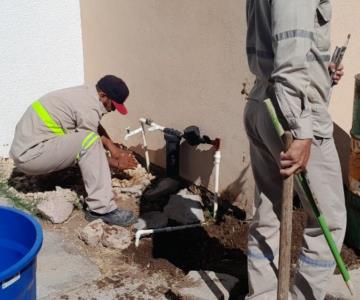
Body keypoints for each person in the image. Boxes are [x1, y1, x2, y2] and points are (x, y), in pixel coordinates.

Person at [244, 1, 345, 299]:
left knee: (268, 212)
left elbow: (287, 43)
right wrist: (301, 132)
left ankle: (261, 295)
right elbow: (289, 63)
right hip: (290, 113)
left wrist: (320, 72)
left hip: (262, 102)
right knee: (330, 220)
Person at [10, 75, 138, 227]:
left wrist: (113, 147)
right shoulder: (89, 106)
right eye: (114, 105)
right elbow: (91, 143)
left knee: (87, 139)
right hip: (31, 157)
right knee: (88, 142)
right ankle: (101, 209)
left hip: (27, 148)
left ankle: (56, 176)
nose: (114, 110)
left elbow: (92, 126)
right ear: (103, 95)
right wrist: (117, 163)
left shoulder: (87, 94)